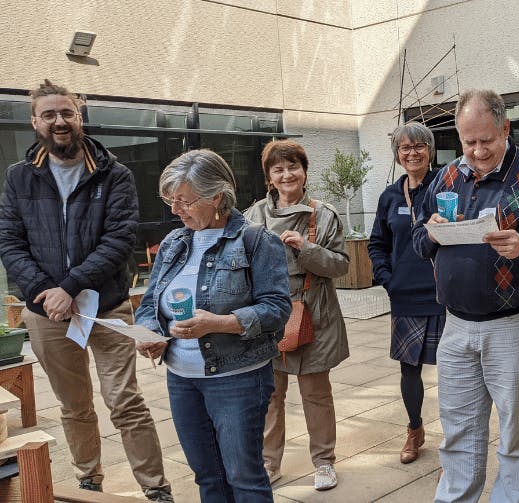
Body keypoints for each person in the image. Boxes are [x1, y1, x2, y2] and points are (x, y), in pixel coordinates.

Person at [0, 80, 172, 501]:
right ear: (35, 121)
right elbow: (9, 241)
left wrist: (71, 286)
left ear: (80, 116)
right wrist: (45, 291)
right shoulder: (19, 177)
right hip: (48, 314)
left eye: (67, 113)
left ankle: (155, 487)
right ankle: (88, 478)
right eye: (49, 114)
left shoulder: (115, 174)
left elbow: (119, 238)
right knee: (74, 406)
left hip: (107, 307)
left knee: (125, 402)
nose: (59, 121)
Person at [412, 89, 519, 502]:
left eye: (486, 140)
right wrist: (430, 232)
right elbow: (418, 240)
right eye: (468, 142)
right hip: (456, 324)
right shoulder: (448, 176)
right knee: (457, 431)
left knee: (515, 434)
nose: (477, 151)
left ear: (505, 128)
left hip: (516, 323)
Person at [134, 149, 291, 502]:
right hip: (182, 378)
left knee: (244, 476)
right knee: (206, 476)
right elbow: (148, 305)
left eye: (185, 201)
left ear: (216, 196)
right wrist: (151, 335)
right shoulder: (175, 242)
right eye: (171, 201)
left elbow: (278, 309)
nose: (175, 210)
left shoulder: (257, 241)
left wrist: (218, 323)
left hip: (238, 378)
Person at [244, 139, 350, 491]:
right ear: (269, 177)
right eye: (278, 169)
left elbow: (340, 266)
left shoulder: (324, 214)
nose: (286, 174)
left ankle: (324, 462)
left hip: (314, 312)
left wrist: (307, 248)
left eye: (293, 167)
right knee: (270, 395)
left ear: (304, 172)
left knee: (316, 394)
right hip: (270, 315)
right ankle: (268, 463)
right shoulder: (254, 216)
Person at [368, 122, 446, 464]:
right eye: (405, 148)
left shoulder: (445, 187)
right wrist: (388, 278)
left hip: (445, 295)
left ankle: (454, 443)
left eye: (419, 146)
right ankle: (415, 430)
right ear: (397, 155)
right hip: (406, 296)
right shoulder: (390, 196)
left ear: (430, 150)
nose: (412, 153)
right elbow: (377, 244)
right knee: (409, 369)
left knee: (452, 371)